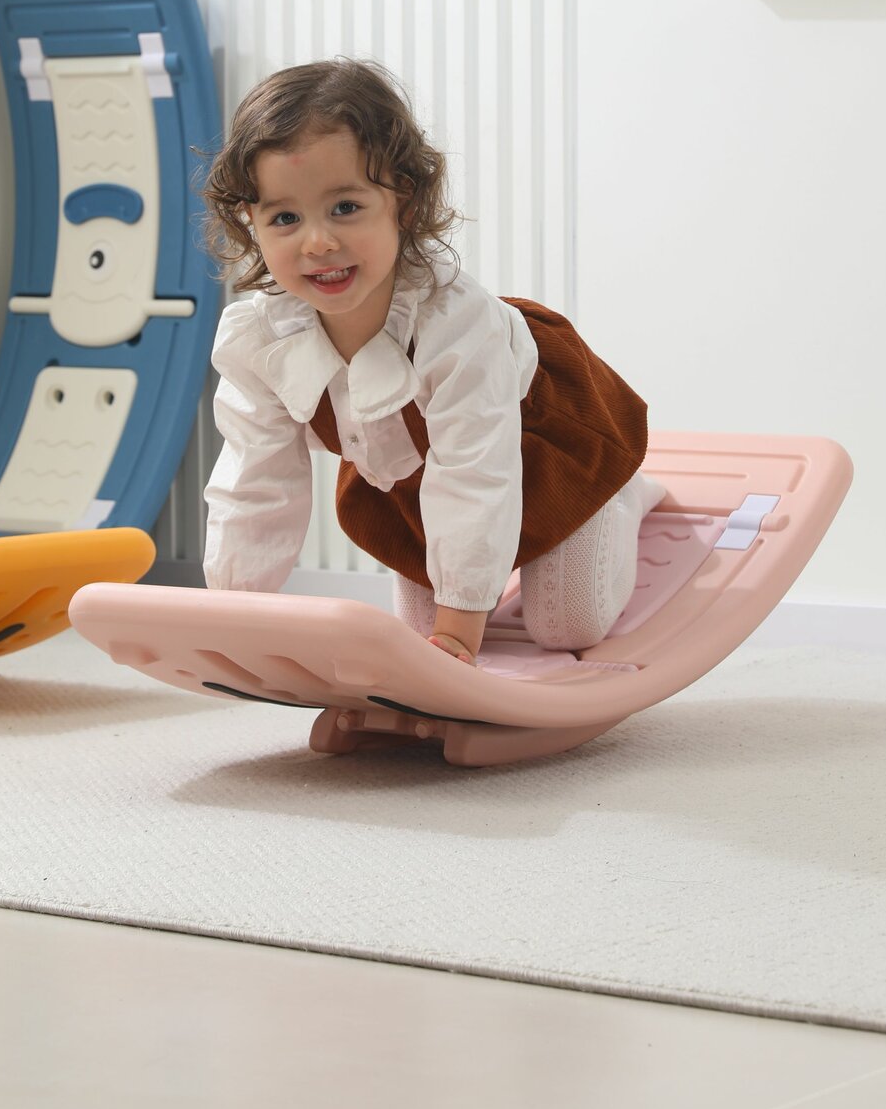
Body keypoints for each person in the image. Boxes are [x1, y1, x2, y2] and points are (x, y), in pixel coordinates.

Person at [198, 59, 662, 664]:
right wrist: (232, 613)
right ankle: (469, 581)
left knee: (564, 625)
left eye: (345, 207)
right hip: (416, 481)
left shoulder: (456, 325)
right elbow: (253, 478)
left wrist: (460, 634)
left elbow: (475, 472)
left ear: (405, 204)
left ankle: (623, 495)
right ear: (252, 224)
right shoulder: (261, 338)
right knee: (417, 629)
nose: (318, 242)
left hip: (539, 451)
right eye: (285, 218)